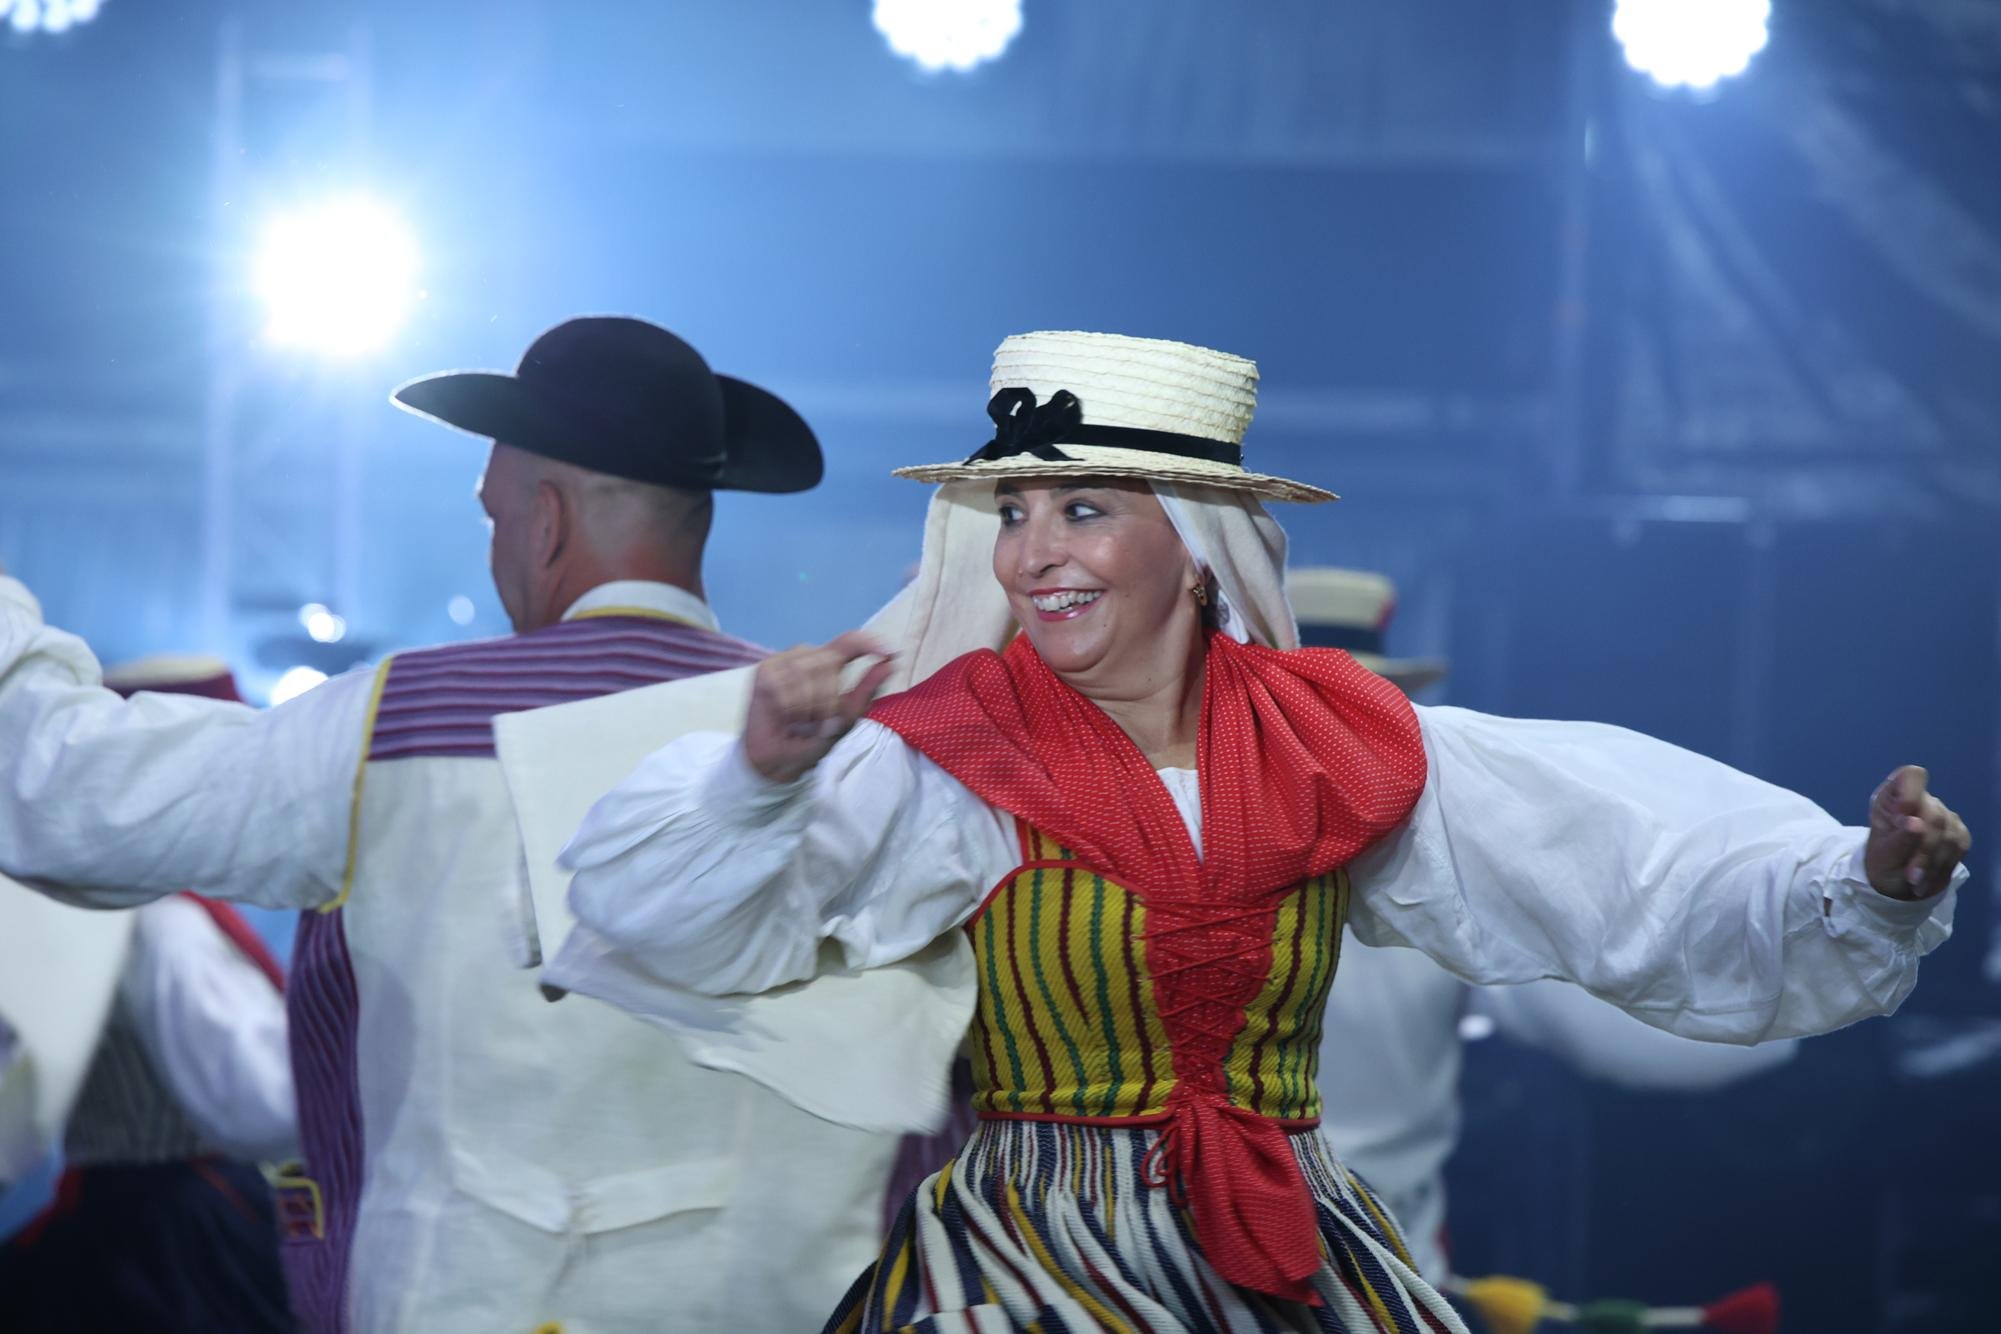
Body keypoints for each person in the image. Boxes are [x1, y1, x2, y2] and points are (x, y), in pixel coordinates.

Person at [545, 330, 1968, 1334]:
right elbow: (676, 923)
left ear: (1193, 536)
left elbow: (1614, 862)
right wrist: (758, 776)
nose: (1032, 550)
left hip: (1288, 1246)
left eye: (1082, 508)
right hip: (1029, 1256)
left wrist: (1859, 880)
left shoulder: (1336, 742)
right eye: (1016, 510)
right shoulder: (954, 752)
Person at [0, 317, 905, 1332]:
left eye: (494, 514)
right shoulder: (864, 755)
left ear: (546, 522)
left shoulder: (391, 728)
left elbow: (70, 792)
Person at [1288, 569, 1798, 1283]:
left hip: (1377, 1279)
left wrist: (1782, 997)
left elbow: (1613, 1025)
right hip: (1204, 1272)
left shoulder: (1440, 878)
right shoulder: (1156, 869)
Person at [0, 654, 295, 1333]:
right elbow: (256, 1102)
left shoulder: (91, 909)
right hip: (178, 1240)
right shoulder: (163, 923)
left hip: (133, 1224)